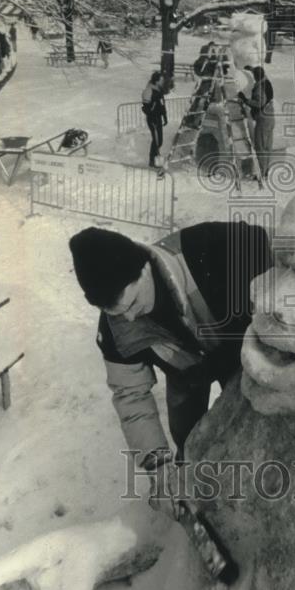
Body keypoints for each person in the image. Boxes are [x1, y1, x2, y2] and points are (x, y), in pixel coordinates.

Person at [68, 221, 272, 471]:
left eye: (132, 303)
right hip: (185, 372)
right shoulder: (115, 328)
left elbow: (276, 252)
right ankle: (187, 487)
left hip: (239, 352)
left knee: (251, 427)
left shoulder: (209, 246)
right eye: (117, 313)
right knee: (188, 441)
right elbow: (130, 394)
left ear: (145, 270)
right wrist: (156, 464)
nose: (130, 318)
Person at [239, 65, 275, 177]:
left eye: (254, 75)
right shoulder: (266, 82)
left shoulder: (260, 87)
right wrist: (251, 69)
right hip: (270, 118)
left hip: (263, 119)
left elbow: (259, 103)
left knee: (260, 147)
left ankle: (262, 172)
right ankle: (266, 169)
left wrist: (245, 100)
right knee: (267, 146)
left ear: (256, 76)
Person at [141, 71, 167, 169]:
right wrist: (151, 115)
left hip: (158, 118)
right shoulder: (149, 90)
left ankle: (154, 159)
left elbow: (162, 105)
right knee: (157, 140)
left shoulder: (159, 90)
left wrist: (165, 117)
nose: (163, 81)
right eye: (161, 80)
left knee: (159, 141)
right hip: (153, 119)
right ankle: (153, 161)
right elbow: (145, 107)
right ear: (156, 81)